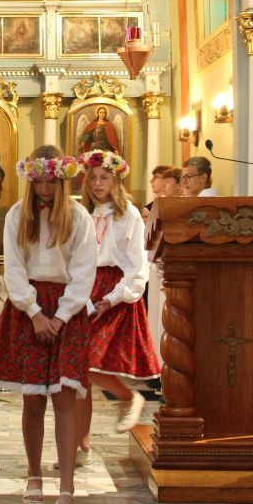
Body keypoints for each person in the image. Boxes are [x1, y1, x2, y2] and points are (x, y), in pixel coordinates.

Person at [0, 147, 94, 504]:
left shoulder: (78, 217)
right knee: (33, 400)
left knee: (65, 400)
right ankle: (34, 475)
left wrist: (61, 316)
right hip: (28, 310)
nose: (45, 189)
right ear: (29, 180)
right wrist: (34, 313)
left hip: (67, 311)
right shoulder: (18, 215)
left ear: (62, 180)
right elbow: (14, 268)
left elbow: (84, 272)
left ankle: (66, 491)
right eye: (38, 182)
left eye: (51, 181)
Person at [75, 153, 157, 460]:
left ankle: (128, 396)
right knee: (78, 374)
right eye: (93, 178)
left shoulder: (129, 214)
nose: (98, 184)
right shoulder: (81, 213)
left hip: (114, 290)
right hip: (85, 288)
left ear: (116, 180)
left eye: (104, 178)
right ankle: (81, 445)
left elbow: (137, 264)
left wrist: (113, 297)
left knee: (87, 362)